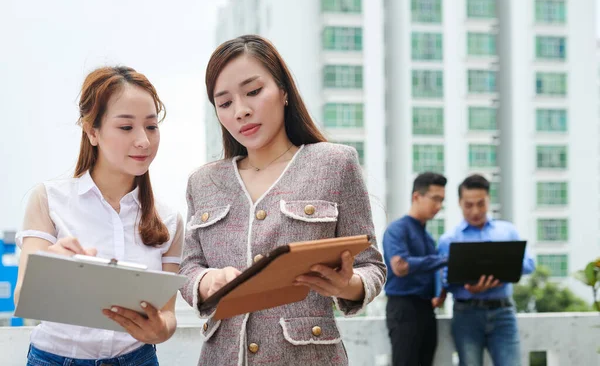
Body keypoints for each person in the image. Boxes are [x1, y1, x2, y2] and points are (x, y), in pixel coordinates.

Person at [178, 35, 386, 366]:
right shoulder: (203, 182)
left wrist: (349, 286)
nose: (241, 111)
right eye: (225, 103)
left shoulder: (335, 163)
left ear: (283, 91)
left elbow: (371, 265)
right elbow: (188, 266)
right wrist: (205, 282)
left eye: (253, 92)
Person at [14, 66, 184, 366]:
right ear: (92, 131)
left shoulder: (168, 220)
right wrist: (50, 266)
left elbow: (167, 316)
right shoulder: (48, 200)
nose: (144, 140)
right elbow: (22, 299)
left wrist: (160, 330)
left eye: (151, 126)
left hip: (138, 359)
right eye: (126, 127)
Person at [438, 174, 535, 366]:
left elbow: (529, 264)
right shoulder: (449, 239)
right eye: (469, 204)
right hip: (466, 315)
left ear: (489, 200)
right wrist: (469, 289)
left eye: (481, 204)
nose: (475, 210)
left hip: (503, 313)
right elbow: (445, 280)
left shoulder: (508, 231)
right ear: (459, 203)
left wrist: (503, 267)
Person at [383, 172, 449, 366]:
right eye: (435, 199)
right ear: (416, 197)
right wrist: (444, 260)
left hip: (427, 308)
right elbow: (400, 266)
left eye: (442, 200)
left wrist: (441, 292)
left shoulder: (427, 237)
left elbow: (433, 270)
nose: (439, 206)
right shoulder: (397, 229)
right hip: (403, 308)